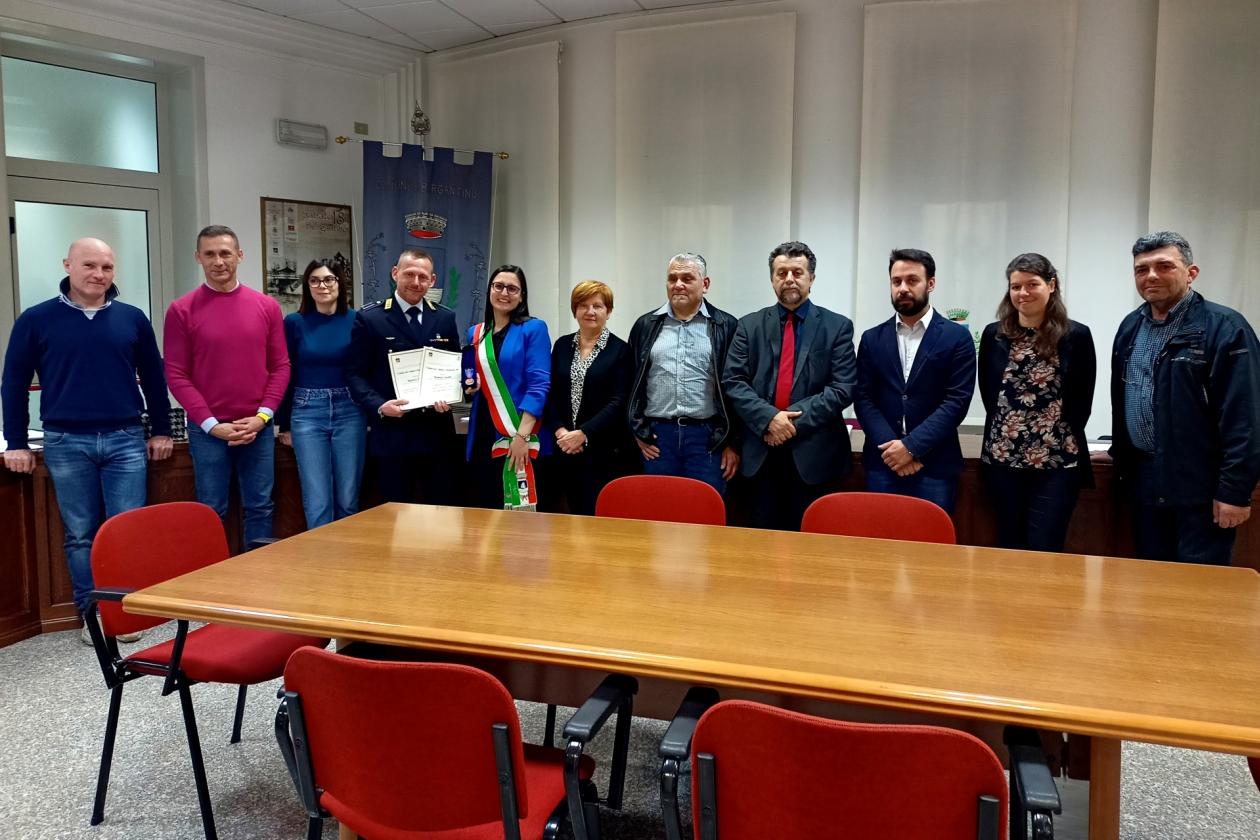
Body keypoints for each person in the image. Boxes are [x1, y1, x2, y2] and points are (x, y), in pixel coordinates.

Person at [1, 237, 172, 644]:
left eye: (107, 267)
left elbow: (154, 377)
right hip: (66, 441)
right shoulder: (36, 319)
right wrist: (16, 441)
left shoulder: (132, 319)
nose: (99, 274)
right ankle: (92, 615)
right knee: (80, 534)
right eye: (89, 265)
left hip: (125, 438)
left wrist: (162, 429)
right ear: (68, 265)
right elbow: (14, 382)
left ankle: (122, 613)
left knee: (125, 530)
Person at [1108, 231, 1260, 565]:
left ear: (1191, 273)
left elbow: (1245, 417)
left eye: (1164, 266)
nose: (1151, 276)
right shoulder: (1131, 327)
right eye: (1141, 269)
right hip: (1144, 481)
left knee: (1200, 584)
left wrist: (1234, 491)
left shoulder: (1225, 328)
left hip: (1201, 487)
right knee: (1152, 581)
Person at [164, 225, 289, 548]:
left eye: (225, 253)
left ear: (239, 255)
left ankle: (256, 577)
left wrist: (262, 417)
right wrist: (211, 424)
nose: (218, 261)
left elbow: (280, 367)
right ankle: (213, 579)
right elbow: (176, 373)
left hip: (257, 428)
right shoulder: (181, 310)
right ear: (198, 257)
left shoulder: (267, 307)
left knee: (260, 507)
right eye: (210, 254)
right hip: (208, 431)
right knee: (211, 511)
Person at [723, 241, 857, 531]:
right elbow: (733, 381)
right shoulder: (748, 326)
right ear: (772, 279)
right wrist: (769, 419)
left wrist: (788, 423)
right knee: (761, 542)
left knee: (812, 545)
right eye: (781, 273)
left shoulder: (837, 327)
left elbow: (842, 388)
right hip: (760, 454)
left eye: (797, 272)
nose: (789, 279)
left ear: (811, 278)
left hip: (815, 456)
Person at [978, 253, 1095, 552]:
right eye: (1016, 286)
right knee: (1009, 546)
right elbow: (990, 394)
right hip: (1003, 460)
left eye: (1032, 284)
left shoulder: (1076, 335)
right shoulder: (994, 335)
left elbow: (1082, 400)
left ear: (1051, 285)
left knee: (1046, 548)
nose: (1023, 293)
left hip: (1056, 462)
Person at [853, 248, 976, 514]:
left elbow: (956, 401)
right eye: (896, 281)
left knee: (932, 539)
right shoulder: (872, 338)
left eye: (912, 280)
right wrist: (894, 450)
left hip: (935, 465)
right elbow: (863, 397)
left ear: (930, 283)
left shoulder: (957, 338)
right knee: (881, 538)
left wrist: (911, 447)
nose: (903, 288)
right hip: (883, 462)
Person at [345, 248, 461, 505]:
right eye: (409, 274)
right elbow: (354, 374)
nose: (416, 282)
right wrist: (379, 405)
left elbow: (454, 367)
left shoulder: (445, 317)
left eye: (423, 277)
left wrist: (450, 393)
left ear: (432, 280)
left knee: (442, 511)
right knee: (395, 512)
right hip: (392, 433)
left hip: (435, 432)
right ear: (395, 273)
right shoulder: (370, 318)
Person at [627, 253, 740, 496]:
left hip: (708, 438)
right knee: (659, 510)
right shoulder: (645, 325)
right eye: (672, 278)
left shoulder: (726, 325)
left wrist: (732, 443)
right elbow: (631, 383)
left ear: (705, 284)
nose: (678, 284)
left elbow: (737, 386)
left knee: (705, 510)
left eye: (687, 278)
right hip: (658, 438)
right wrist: (637, 431)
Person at [276, 259, 365, 529]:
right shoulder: (294, 322)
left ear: (339, 283)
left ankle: (347, 554)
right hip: (307, 411)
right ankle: (320, 554)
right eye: (314, 280)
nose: (322, 286)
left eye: (328, 279)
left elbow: (365, 369)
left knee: (348, 497)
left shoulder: (357, 320)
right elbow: (285, 372)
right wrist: (284, 423)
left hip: (350, 410)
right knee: (317, 500)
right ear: (307, 286)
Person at [543, 281, 638, 515]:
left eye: (598, 306)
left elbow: (619, 401)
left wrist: (583, 433)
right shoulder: (562, 345)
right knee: (563, 516)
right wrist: (561, 432)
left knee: (595, 517)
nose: (590, 311)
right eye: (583, 305)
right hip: (562, 447)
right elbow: (550, 392)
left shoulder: (620, 350)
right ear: (574, 310)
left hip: (602, 452)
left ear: (609, 311)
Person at [464, 265, 551, 509]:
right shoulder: (475, 333)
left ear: (522, 296)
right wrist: (470, 388)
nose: (504, 293)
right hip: (484, 429)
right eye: (499, 286)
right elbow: (471, 377)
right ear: (490, 290)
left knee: (520, 512)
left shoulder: (533, 329)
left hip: (521, 429)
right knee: (486, 507)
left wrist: (521, 436)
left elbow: (539, 386)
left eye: (512, 289)